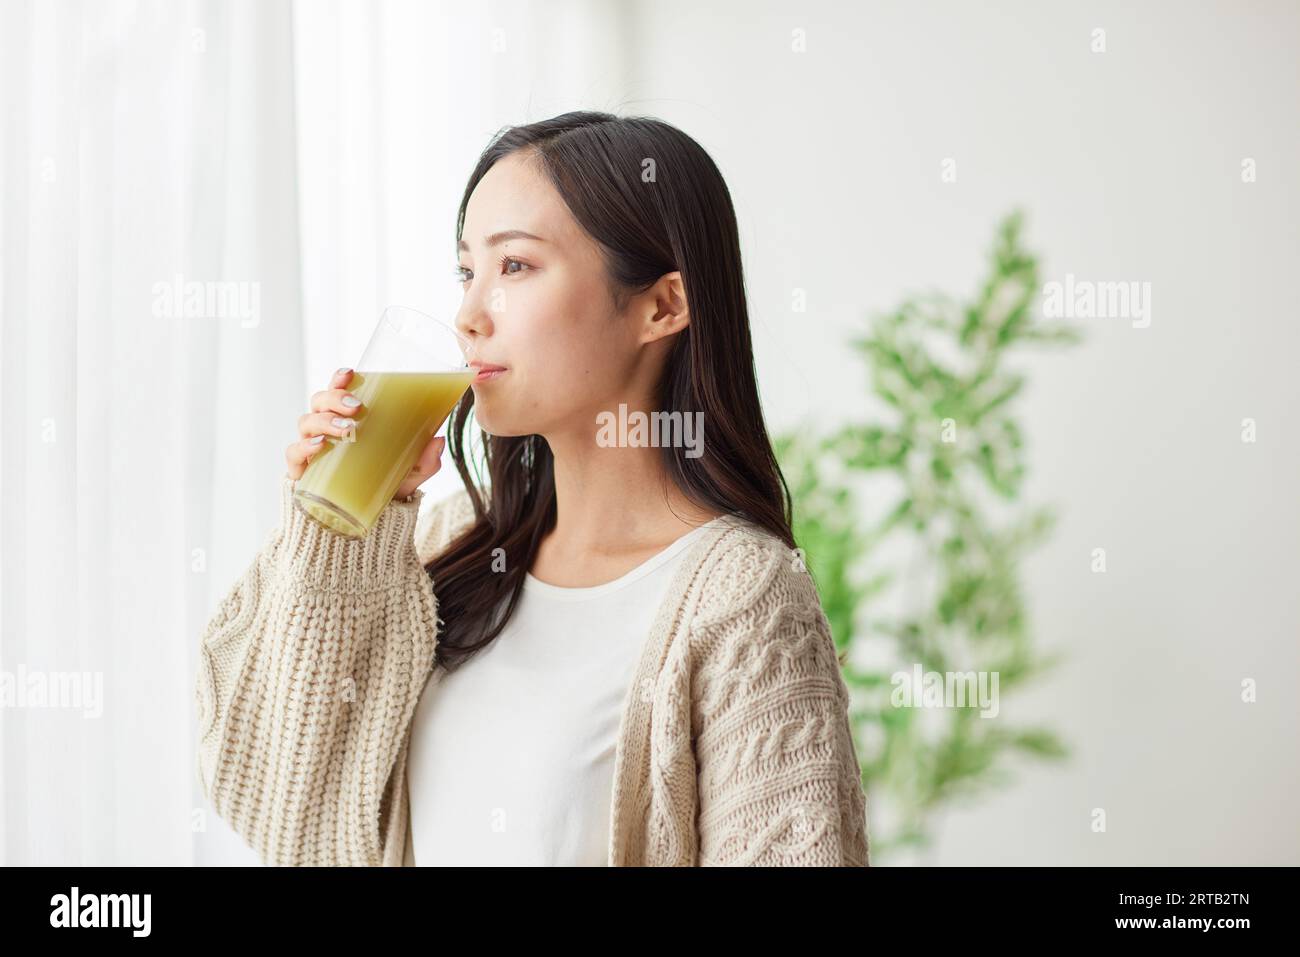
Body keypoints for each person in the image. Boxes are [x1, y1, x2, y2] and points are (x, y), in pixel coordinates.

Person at [195, 110, 870, 866]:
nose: (469, 315)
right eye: (467, 271)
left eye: (514, 266)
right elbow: (278, 805)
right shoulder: (441, 544)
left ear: (662, 306)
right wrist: (344, 531)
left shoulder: (743, 597)